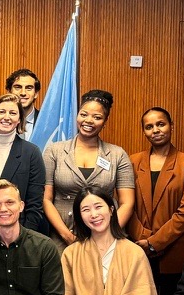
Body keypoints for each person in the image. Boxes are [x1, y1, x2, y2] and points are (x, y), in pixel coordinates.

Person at [127, 107, 184, 295]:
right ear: (144, 132)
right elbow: (125, 205)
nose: (155, 130)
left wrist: (153, 243)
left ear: (171, 126)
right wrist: (144, 240)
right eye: (149, 127)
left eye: (161, 124)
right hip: (139, 250)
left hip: (175, 251)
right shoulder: (132, 161)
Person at [43, 89, 135, 251]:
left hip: (106, 238)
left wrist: (108, 233)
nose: (89, 120)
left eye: (97, 117)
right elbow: (46, 199)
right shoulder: (54, 151)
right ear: (77, 115)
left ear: (105, 122)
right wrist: (68, 237)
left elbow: (127, 202)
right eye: (84, 114)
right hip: (62, 236)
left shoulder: (117, 154)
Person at [0, 94, 47, 237]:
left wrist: (24, 237)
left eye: (13, 113)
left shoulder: (31, 153)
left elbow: (35, 203)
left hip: (20, 235)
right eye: (1, 112)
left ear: (19, 120)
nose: (7, 117)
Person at [5, 69, 41, 142]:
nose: (23, 93)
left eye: (29, 88)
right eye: (18, 87)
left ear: (36, 94)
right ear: (9, 91)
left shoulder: (46, 122)